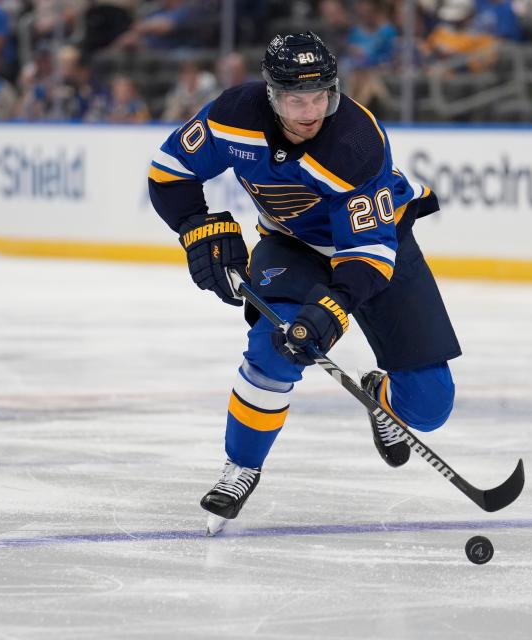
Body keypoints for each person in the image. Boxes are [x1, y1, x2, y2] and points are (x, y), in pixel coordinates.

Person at [148, 32, 460, 533]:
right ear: (272, 94)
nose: (311, 110)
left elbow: (369, 253)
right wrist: (197, 227)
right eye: (297, 98)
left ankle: (381, 399)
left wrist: (333, 307)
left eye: (321, 95)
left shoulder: (356, 142)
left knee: (429, 407)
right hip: (291, 245)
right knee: (275, 346)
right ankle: (242, 466)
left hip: (376, 249)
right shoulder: (234, 114)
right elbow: (169, 171)